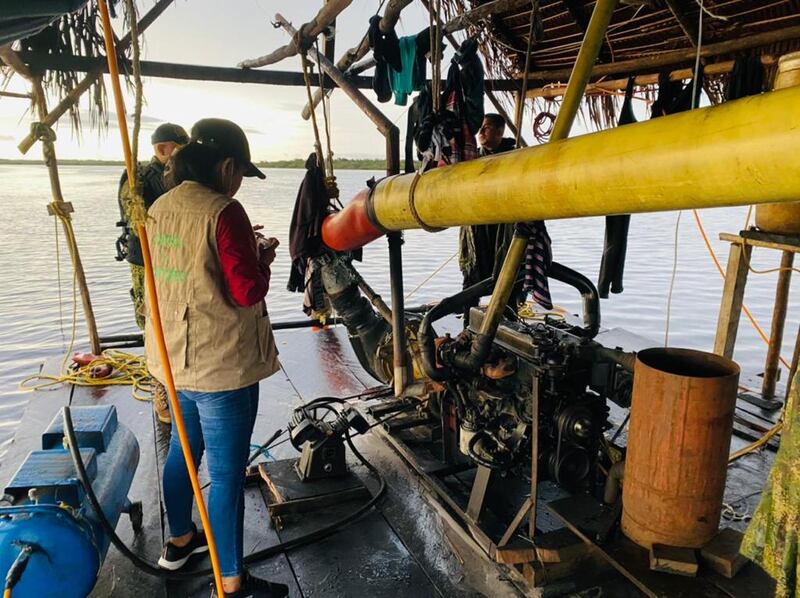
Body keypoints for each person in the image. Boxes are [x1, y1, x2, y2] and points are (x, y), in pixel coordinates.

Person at [145, 118, 287, 598]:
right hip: (220, 364)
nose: (241, 180)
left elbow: (187, 267)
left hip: (173, 358)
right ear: (226, 166)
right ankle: (231, 582)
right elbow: (246, 291)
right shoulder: (226, 211)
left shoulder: (159, 208)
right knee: (226, 476)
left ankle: (180, 539)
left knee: (184, 454)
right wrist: (263, 258)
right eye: (241, 171)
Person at [117, 122, 189, 425]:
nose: (168, 154)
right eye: (163, 148)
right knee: (151, 322)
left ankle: (182, 383)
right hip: (145, 258)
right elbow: (133, 217)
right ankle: (160, 387)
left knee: (179, 318)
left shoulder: (188, 175)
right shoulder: (138, 178)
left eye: (174, 147)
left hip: (179, 258)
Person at [460, 114, 518, 322]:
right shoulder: (472, 157)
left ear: (500, 131)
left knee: (507, 278)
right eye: (480, 128)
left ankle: (509, 327)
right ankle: (468, 327)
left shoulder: (514, 157)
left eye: (487, 128)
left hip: (503, 228)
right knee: (472, 279)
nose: (481, 132)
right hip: (477, 227)